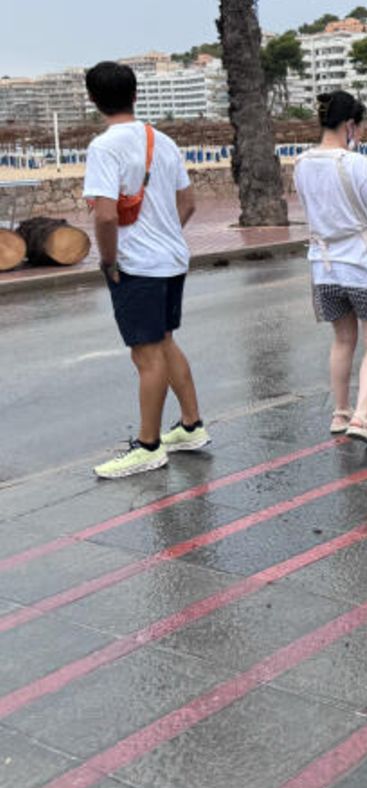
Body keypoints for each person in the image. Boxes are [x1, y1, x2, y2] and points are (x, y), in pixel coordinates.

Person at [83, 61, 208, 478]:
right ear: (136, 95)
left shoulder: (104, 147)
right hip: (172, 259)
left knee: (146, 354)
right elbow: (188, 203)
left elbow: (103, 216)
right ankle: (191, 426)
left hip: (138, 265)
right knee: (165, 341)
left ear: (93, 100)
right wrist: (166, 233)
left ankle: (149, 445)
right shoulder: (164, 141)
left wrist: (109, 259)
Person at [293, 91, 367, 446]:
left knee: (341, 339)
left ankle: (340, 411)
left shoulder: (302, 162)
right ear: (350, 124)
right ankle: (363, 416)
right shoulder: (356, 164)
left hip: (323, 267)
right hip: (359, 264)